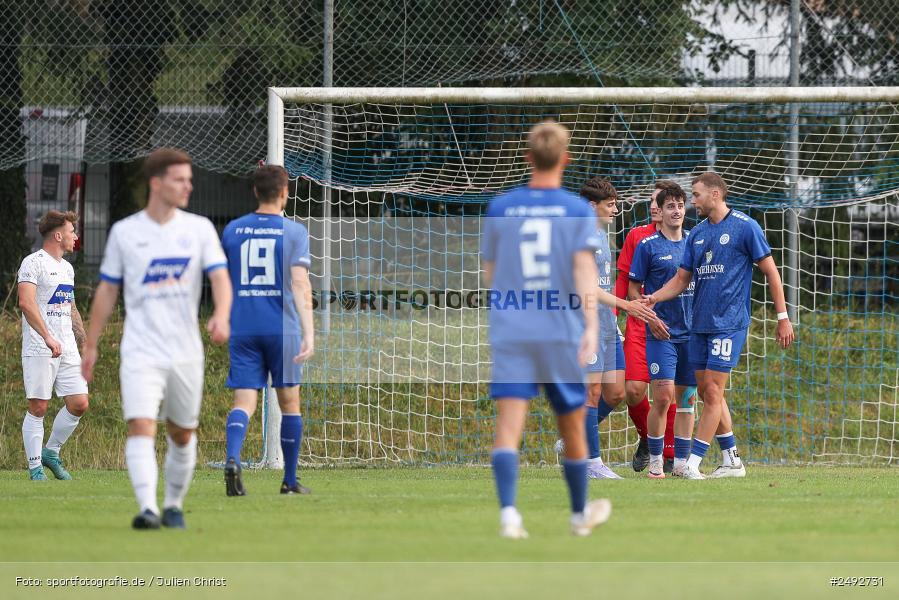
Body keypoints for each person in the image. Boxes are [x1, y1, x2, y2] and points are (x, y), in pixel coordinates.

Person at [82, 148, 232, 528]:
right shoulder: (125, 232)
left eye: (189, 180)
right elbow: (107, 290)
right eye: (180, 180)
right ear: (156, 183)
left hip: (185, 351)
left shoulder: (198, 229)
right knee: (141, 425)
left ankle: (174, 505)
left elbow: (219, 278)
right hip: (140, 349)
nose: (188, 186)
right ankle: (147, 508)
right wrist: (91, 344)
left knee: (181, 433)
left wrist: (221, 313)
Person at [481, 120, 612, 538]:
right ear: (566, 159)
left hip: (514, 329)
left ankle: (508, 516)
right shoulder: (576, 210)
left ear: (527, 158)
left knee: (508, 425)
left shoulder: (501, 206)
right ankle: (577, 516)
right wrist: (591, 325)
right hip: (560, 330)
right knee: (572, 425)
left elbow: (490, 273)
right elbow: (583, 273)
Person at [642, 172, 795, 479]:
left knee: (712, 391)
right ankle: (731, 459)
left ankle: (693, 464)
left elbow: (772, 273)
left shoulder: (745, 227)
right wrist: (653, 299)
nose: (692, 201)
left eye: (696, 195)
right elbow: (682, 278)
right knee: (708, 393)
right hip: (699, 325)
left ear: (714, 194)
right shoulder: (697, 234)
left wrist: (782, 317)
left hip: (729, 323)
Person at [220, 164, 315, 496]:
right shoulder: (293, 232)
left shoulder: (232, 230)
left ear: (255, 192)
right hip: (282, 328)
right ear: (285, 193)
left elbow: (223, 280)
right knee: (289, 403)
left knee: (244, 400)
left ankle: (233, 458)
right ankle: (289, 480)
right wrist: (310, 331)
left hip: (244, 327)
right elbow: (300, 283)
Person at [579, 177, 662, 479]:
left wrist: (614, 316)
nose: (616, 210)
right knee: (592, 391)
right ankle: (591, 463)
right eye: (610, 204)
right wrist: (627, 305)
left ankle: (576, 437)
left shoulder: (602, 234)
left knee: (615, 392)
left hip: (607, 325)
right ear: (592, 206)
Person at [627, 182, 697, 478]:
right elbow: (633, 291)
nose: (676, 210)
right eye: (670, 206)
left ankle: (681, 462)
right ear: (661, 212)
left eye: (680, 205)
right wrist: (650, 318)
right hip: (660, 334)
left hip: (692, 335)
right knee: (664, 396)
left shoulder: (695, 241)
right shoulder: (647, 246)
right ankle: (656, 460)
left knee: (688, 399)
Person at [17, 210, 89, 481]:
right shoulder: (32, 263)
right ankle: (35, 467)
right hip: (40, 346)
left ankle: (51, 452)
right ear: (58, 235)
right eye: (72, 232)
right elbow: (26, 303)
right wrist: (48, 337)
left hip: (67, 347)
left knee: (79, 402)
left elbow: (69, 306)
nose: (76, 237)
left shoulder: (67, 268)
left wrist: (83, 342)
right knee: (39, 406)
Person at [614, 182, 680, 472]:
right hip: (641, 324)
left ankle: (670, 453)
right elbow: (625, 282)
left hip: (673, 327)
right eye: (652, 202)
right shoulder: (638, 237)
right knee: (633, 390)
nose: (654, 206)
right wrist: (615, 310)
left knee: (670, 393)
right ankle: (647, 436)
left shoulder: (684, 239)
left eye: (659, 202)